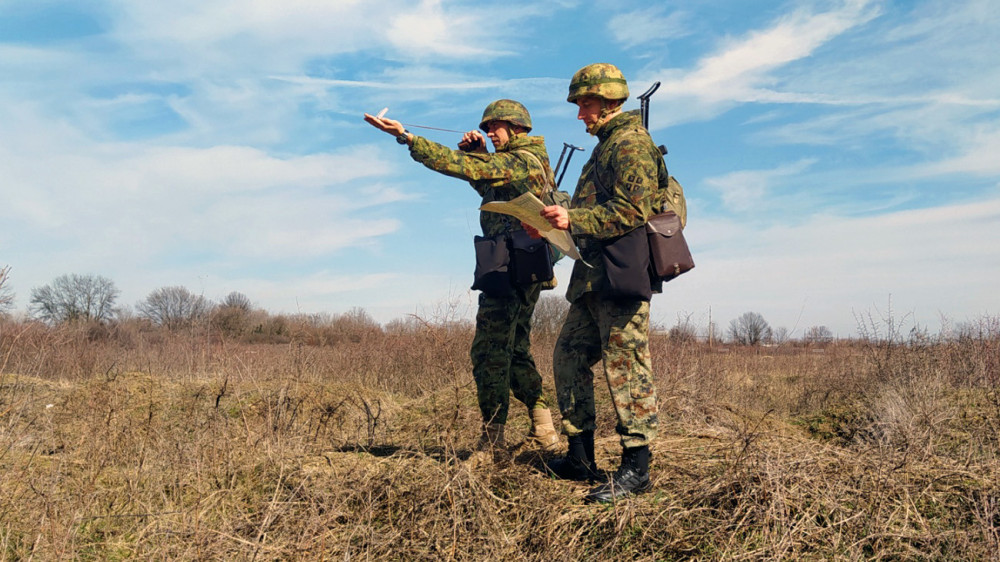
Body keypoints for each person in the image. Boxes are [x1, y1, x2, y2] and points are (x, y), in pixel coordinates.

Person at [363, 100, 560, 456]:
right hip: (516, 266)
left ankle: (493, 440)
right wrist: (482, 155)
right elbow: (492, 190)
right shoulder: (524, 161)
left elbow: (458, 165)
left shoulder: (524, 160)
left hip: (511, 269)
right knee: (515, 349)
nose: (488, 134)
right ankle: (543, 429)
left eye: (493, 129)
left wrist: (407, 137)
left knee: (489, 352)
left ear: (515, 127)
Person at [530, 63, 665, 502]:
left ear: (608, 102)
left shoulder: (629, 143)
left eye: (584, 104)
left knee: (625, 367)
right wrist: (553, 225)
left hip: (620, 278)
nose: (580, 114)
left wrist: (574, 217)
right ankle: (580, 458)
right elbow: (593, 214)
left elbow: (634, 210)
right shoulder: (604, 147)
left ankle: (636, 469)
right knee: (568, 357)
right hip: (591, 278)